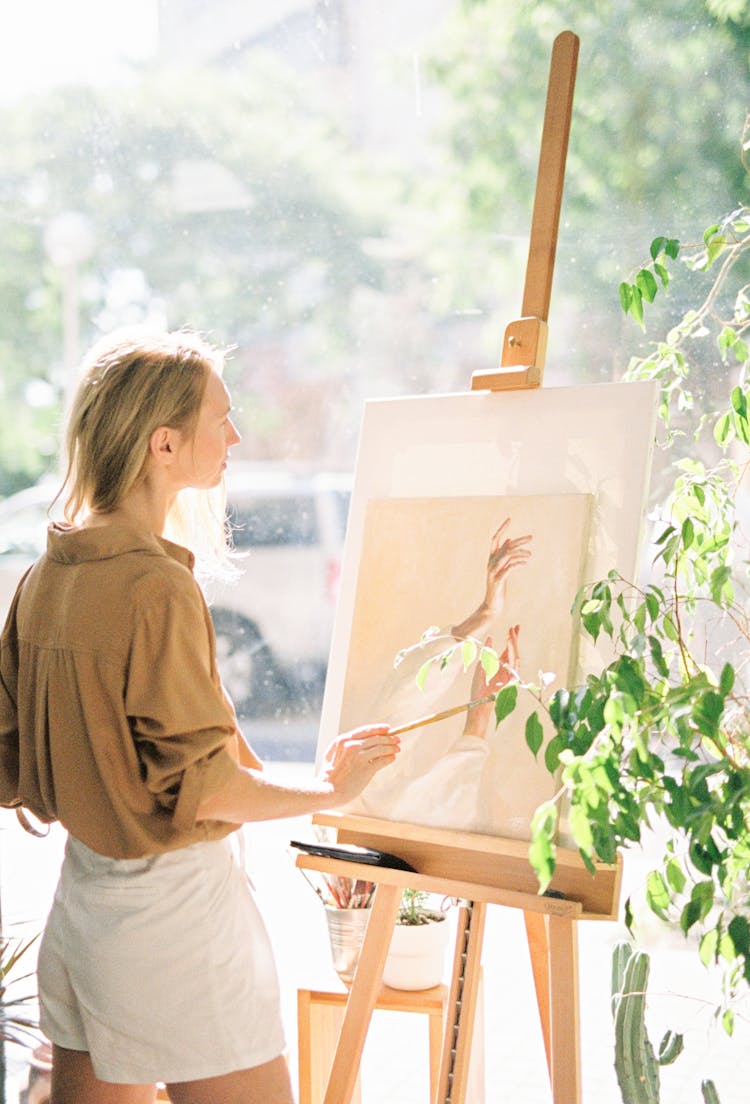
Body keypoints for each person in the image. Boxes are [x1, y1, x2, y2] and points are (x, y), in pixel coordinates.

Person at [0, 328, 401, 1104]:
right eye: (221, 417)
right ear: (164, 445)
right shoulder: (154, 587)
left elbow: (9, 763)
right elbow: (207, 790)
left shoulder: (46, 577)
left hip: (84, 914)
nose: (236, 434)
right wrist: (330, 791)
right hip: (175, 922)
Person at [344, 519, 530, 833]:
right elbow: (397, 713)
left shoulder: (487, 807)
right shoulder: (374, 798)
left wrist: (479, 716)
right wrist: (485, 614)